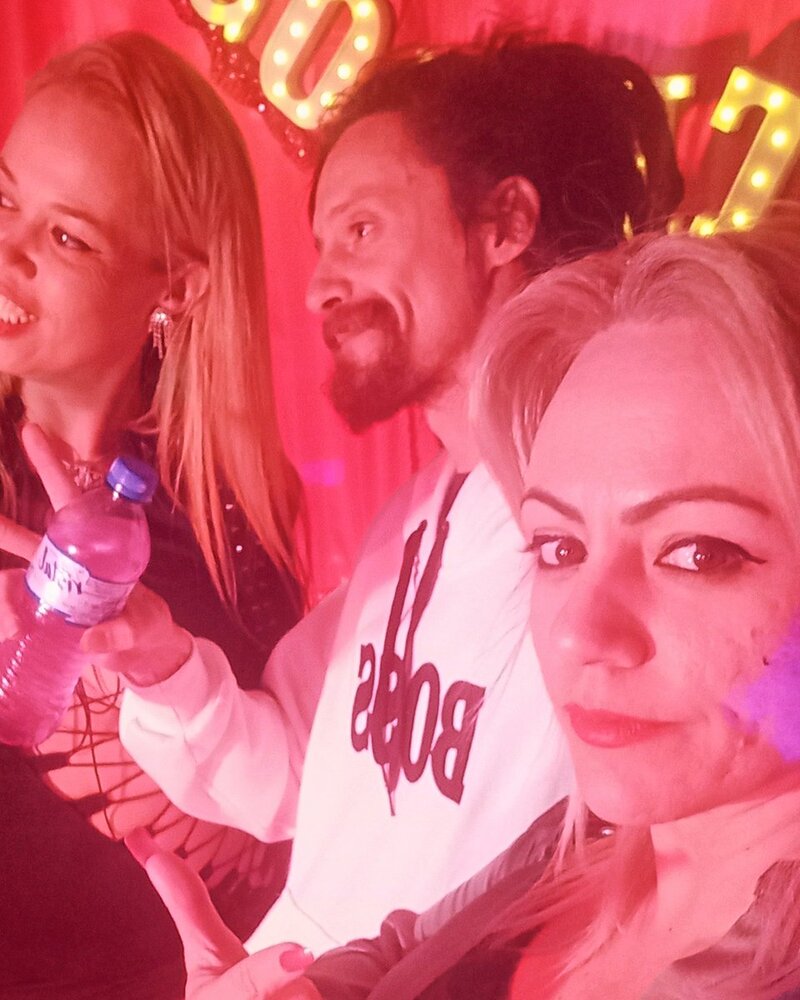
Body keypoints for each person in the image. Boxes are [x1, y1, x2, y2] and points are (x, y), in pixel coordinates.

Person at [128, 207, 800, 1000]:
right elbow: (408, 945)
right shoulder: (578, 840)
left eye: (698, 552)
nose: (578, 633)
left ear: (501, 222)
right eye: (559, 548)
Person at [106, 36, 684, 955]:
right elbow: (287, 777)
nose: (319, 288)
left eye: (362, 230)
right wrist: (156, 660)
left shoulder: (625, 537)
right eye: (324, 245)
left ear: (504, 224)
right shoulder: (413, 517)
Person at [0, 32, 302, 1000]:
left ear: (175, 283)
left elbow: (282, 819)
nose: (7, 251)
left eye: (68, 237)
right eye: (4, 201)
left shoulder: (232, 508)